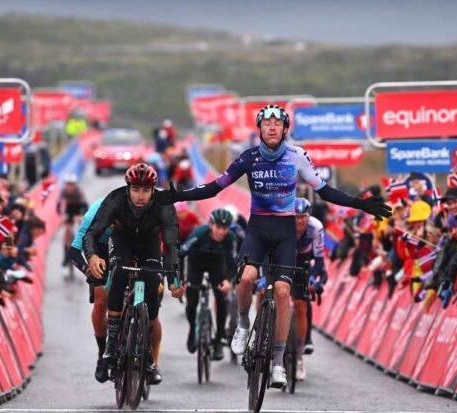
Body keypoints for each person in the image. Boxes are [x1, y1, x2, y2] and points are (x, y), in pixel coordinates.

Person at [154, 104, 391, 387]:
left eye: (277, 124)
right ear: (260, 129)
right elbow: (216, 187)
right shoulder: (249, 157)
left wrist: (361, 204)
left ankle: (278, 364)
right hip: (257, 230)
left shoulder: (297, 156)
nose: (272, 128)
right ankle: (243, 324)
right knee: (246, 280)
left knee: (281, 293)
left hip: (285, 234)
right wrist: (179, 195)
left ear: (284, 128)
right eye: (266, 124)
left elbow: (324, 190)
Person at [83, 163, 185, 385]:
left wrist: (175, 281)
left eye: (146, 190)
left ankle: (148, 358)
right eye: (136, 190)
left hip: (149, 243)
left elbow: (171, 246)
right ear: (128, 188)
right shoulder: (116, 199)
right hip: (122, 240)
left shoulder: (163, 204)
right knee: (118, 271)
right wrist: (92, 256)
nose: (141, 196)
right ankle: (111, 347)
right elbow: (91, 234)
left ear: (153, 190)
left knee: (152, 281)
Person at [67, 198, 116, 383]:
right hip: (99, 248)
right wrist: (88, 270)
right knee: (101, 296)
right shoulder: (93, 214)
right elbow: (73, 251)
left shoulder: (136, 210)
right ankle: (102, 351)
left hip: (126, 245)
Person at [180, 208, 237, 361]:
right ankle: (192, 329)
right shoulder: (199, 234)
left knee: (221, 300)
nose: (221, 232)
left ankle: (218, 341)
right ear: (211, 225)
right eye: (218, 227)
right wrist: (180, 279)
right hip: (195, 264)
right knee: (192, 303)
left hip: (216, 266)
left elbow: (233, 264)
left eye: (225, 228)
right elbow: (181, 254)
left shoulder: (230, 238)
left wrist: (227, 280)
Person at [292, 198, 326, 381]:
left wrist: (313, 276)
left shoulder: (316, 227)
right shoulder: (283, 223)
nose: (299, 221)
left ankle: (298, 359)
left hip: (304, 260)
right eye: (296, 217)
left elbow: (320, 260)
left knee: (301, 304)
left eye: (303, 217)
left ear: (308, 216)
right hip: (285, 257)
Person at [57, 173, 88, 269]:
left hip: (79, 208)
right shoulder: (63, 191)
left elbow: (85, 206)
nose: (69, 186)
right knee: (67, 231)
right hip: (69, 209)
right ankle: (65, 256)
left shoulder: (78, 192)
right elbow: (58, 205)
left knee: (81, 227)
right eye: (68, 184)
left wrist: (81, 216)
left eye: (72, 184)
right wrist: (61, 214)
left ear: (74, 185)